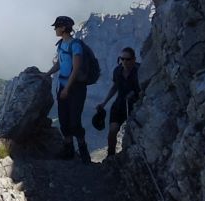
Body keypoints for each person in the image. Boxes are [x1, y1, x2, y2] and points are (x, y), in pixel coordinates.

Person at [41, 15, 90, 163]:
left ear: (63, 28)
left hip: (75, 89)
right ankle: (68, 150)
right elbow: (60, 64)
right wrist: (47, 74)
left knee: (75, 121)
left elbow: (75, 69)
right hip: (63, 87)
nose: (55, 29)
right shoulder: (61, 44)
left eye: (57, 26)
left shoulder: (75, 45)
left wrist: (67, 89)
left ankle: (83, 152)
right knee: (63, 120)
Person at [96, 47, 140, 158]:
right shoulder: (117, 71)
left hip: (135, 107)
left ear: (134, 59)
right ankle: (110, 156)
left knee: (132, 133)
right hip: (119, 105)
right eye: (122, 59)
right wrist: (104, 103)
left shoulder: (139, 71)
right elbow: (115, 87)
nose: (124, 61)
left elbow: (144, 88)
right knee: (112, 131)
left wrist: (134, 94)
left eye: (127, 59)